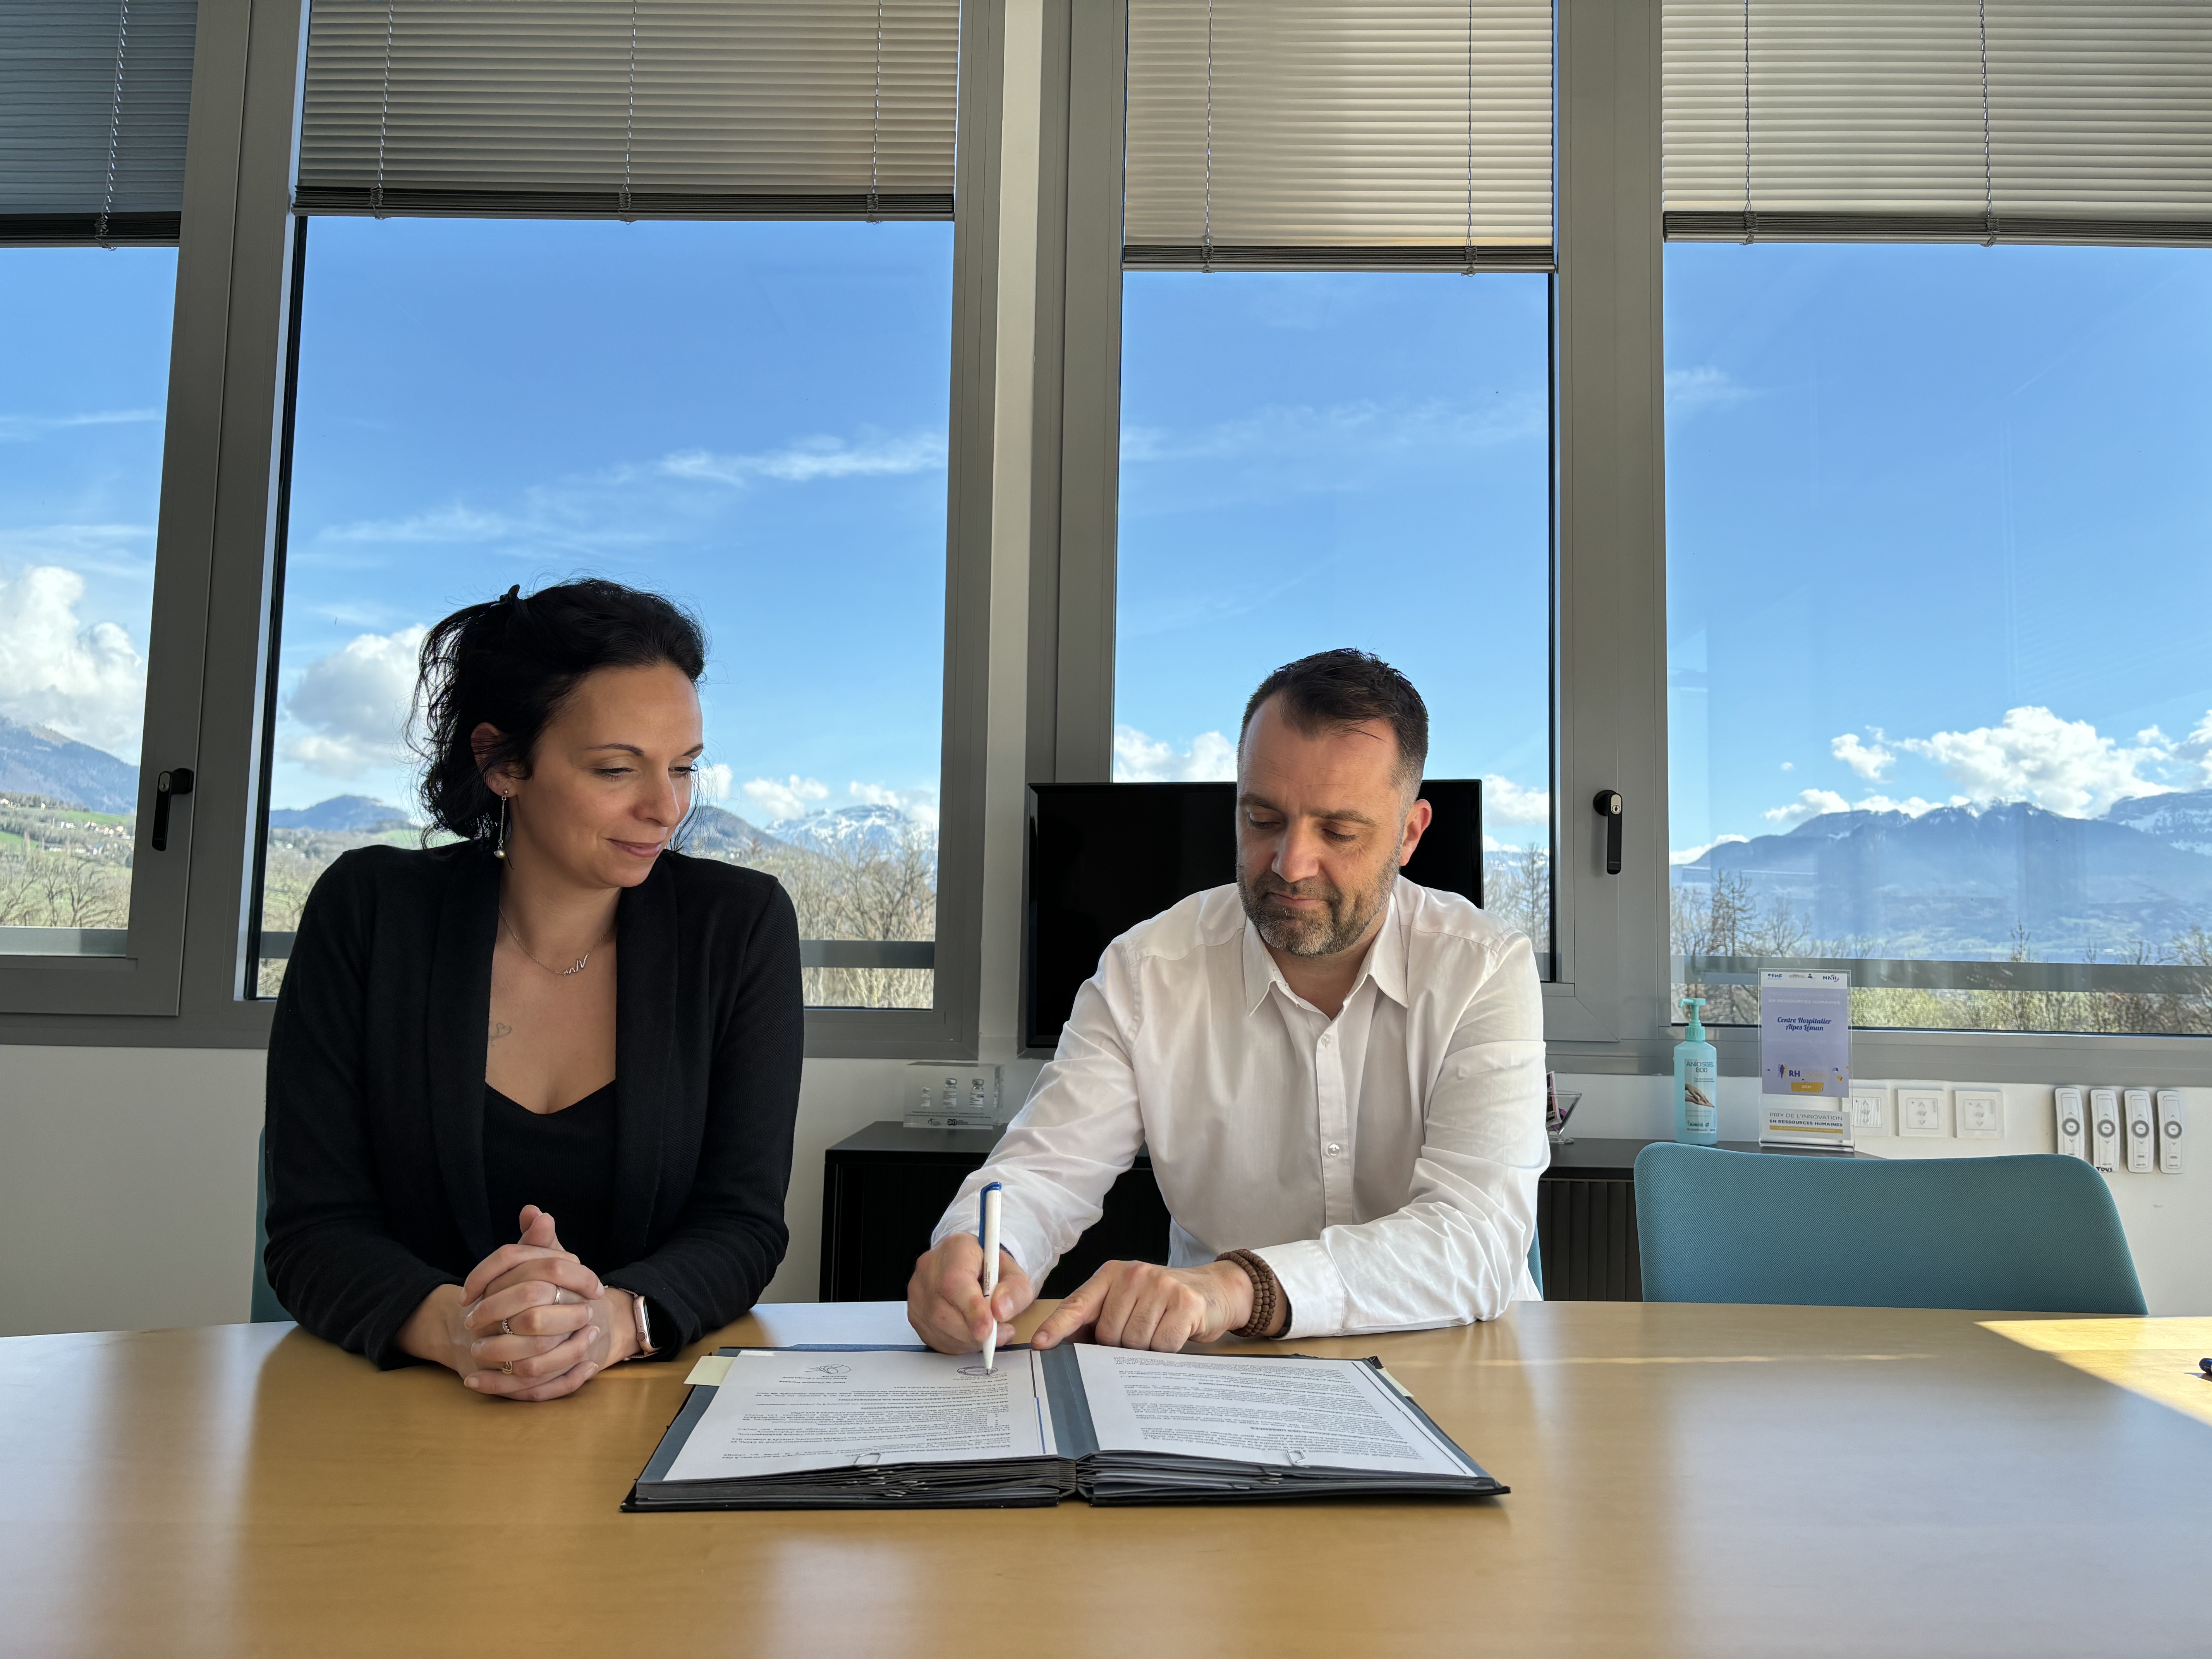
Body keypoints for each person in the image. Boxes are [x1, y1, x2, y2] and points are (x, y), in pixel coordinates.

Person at [908, 648, 1546, 1354]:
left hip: (1454, 1361)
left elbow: (1477, 1239)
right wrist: (979, 1251)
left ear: (1409, 834)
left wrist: (1242, 1287)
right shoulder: (1147, 973)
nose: (1290, 864)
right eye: (1263, 819)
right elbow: (1043, 1172)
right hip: (1225, 1375)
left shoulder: (1484, 969)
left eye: (1338, 832)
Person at [264, 579, 802, 1401]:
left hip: (647, 1405)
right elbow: (314, 1230)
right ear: (502, 762)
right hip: (401, 1410)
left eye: (684, 768)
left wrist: (610, 1325)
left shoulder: (737, 927)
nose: (666, 808)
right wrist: (460, 1328)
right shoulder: (370, 913)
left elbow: (742, 1223)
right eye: (617, 769)